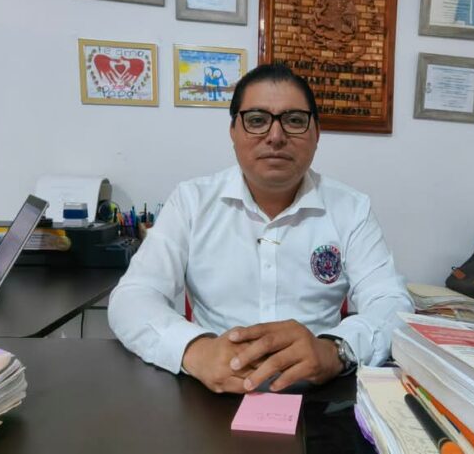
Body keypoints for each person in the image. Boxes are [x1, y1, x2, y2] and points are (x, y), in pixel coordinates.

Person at [108, 63, 412, 394]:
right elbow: (133, 297)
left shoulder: (351, 209)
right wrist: (195, 350)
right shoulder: (192, 202)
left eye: (294, 121)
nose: (276, 136)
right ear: (233, 131)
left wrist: (335, 350)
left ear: (316, 133)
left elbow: (392, 302)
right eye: (256, 120)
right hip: (210, 393)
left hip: (318, 394)